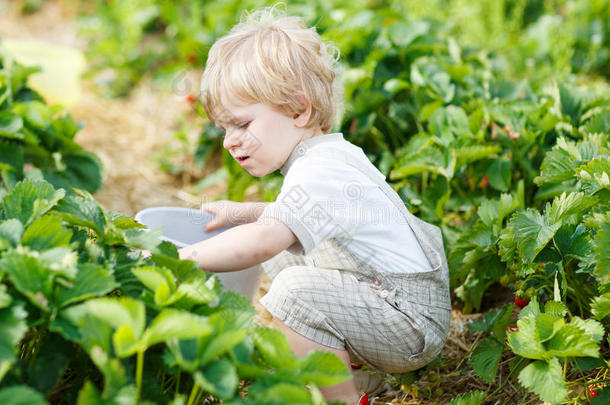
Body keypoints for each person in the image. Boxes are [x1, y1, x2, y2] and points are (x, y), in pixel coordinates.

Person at [178, 6, 451, 404]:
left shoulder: (319, 171)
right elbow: (282, 220)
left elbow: (267, 237)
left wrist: (184, 256)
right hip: (393, 301)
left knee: (293, 288)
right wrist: (240, 213)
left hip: (409, 322)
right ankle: (360, 378)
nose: (229, 141)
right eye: (223, 129)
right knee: (286, 260)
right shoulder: (327, 156)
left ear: (299, 109)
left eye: (242, 124)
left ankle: (341, 399)